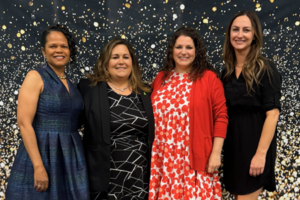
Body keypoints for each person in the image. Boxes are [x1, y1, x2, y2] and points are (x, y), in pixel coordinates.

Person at [5, 24, 89, 199]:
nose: (59, 50)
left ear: (70, 51)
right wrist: (38, 166)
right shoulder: (35, 77)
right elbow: (24, 123)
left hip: (70, 157)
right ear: (44, 51)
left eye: (64, 46)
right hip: (42, 154)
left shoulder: (73, 85)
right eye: (53, 46)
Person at [149, 27, 228, 199]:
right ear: (172, 50)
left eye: (189, 47)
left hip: (194, 159)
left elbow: (221, 117)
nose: (183, 52)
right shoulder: (161, 77)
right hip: (164, 159)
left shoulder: (209, 79)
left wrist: (216, 153)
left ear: (196, 51)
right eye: (179, 47)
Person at [77, 38, 155, 200]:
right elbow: (69, 123)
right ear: (105, 62)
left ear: (132, 62)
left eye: (126, 57)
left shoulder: (146, 92)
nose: (121, 62)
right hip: (105, 179)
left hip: (140, 178)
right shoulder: (88, 89)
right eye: (115, 57)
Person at [222, 10, 282, 199]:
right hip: (233, 148)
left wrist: (260, 154)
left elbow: (272, 115)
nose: (240, 35)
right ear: (229, 34)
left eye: (246, 30)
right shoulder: (226, 72)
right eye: (235, 29)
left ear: (255, 35)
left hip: (255, 148)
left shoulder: (266, 68)